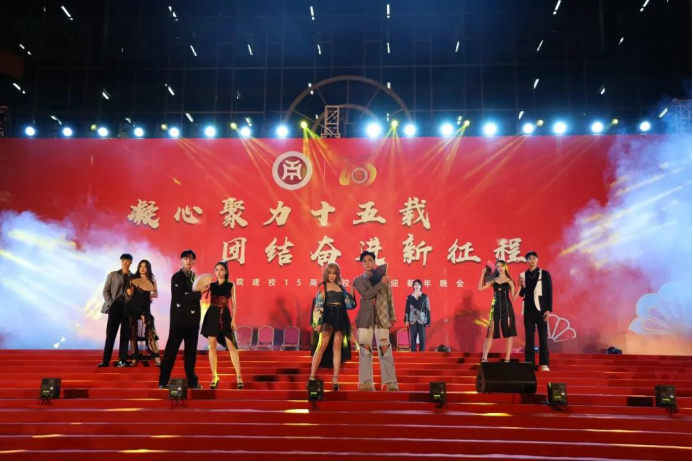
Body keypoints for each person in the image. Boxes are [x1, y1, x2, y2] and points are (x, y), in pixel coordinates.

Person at [158, 250, 209, 389]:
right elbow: (180, 297)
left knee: (191, 353)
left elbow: (192, 296)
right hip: (178, 321)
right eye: (186, 258)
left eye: (191, 259)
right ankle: (163, 381)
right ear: (181, 260)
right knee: (171, 351)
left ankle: (192, 382)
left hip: (193, 321)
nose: (188, 261)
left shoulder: (195, 277)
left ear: (194, 261)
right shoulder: (176, 277)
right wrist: (199, 293)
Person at [353, 251, 399, 392]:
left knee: (385, 350)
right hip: (365, 319)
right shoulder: (358, 280)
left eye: (370, 260)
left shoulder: (384, 278)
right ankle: (366, 382)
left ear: (374, 262)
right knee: (365, 351)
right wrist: (381, 283)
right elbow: (367, 294)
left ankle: (390, 382)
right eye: (365, 261)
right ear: (362, 264)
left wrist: (392, 316)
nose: (368, 263)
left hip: (382, 317)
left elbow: (389, 298)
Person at [309, 262, 353, 391]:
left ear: (337, 274)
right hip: (327, 318)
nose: (332, 276)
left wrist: (351, 291)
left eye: (334, 273)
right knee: (321, 346)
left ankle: (335, 379)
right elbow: (318, 304)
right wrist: (317, 323)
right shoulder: (322, 286)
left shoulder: (341, 288)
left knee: (337, 347)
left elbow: (350, 305)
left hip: (340, 319)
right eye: (330, 273)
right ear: (326, 274)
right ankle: (312, 376)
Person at [200, 261, 244, 389]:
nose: (218, 272)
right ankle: (214, 376)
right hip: (212, 315)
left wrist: (233, 320)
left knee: (231, 345)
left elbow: (234, 304)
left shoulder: (230, 285)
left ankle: (239, 376)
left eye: (221, 270)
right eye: (216, 270)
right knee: (212, 346)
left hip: (225, 315)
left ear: (225, 271)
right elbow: (199, 292)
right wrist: (202, 285)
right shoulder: (211, 285)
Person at [98, 253, 135, 367]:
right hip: (115, 307)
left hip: (128, 308)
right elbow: (106, 290)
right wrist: (111, 304)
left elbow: (135, 294)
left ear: (131, 262)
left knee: (125, 336)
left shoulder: (134, 277)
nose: (125, 262)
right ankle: (106, 360)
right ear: (121, 261)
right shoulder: (113, 274)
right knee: (110, 335)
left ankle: (122, 360)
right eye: (123, 260)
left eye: (127, 260)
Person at [518, 251, 553, 372]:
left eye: (534, 258)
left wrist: (548, 309)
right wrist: (522, 286)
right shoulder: (523, 275)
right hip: (528, 310)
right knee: (529, 337)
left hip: (541, 310)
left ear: (537, 260)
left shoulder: (545, 274)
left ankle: (544, 363)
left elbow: (549, 292)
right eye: (529, 258)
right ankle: (530, 363)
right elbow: (521, 294)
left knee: (543, 337)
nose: (532, 260)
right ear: (526, 261)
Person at [478, 260, 517, 363]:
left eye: (501, 266)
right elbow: (480, 288)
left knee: (508, 333)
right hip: (495, 307)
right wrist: (482, 274)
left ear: (505, 267)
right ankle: (484, 358)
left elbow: (514, 298)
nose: (500, 268)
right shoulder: (493, 280)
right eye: (498, 266)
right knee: (490, 332)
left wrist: (521, 287)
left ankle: (507, 359)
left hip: (507, 308)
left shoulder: (510, 281)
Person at [128, 259, 161, 367]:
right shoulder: (134, 279)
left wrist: (148, 295)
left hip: (145, 308)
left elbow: (156, 294)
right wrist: (130, 285)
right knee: (133, 334)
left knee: (151, 333)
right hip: (134, 307)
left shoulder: (152, 280)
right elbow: (130, 293)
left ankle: (157, 357)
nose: (142, 268)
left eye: (145, 266)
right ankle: (134, 358)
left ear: (148, 268)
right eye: (141, 266)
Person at [404, 279, 431, 352]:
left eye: (418, 285)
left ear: (421, 286)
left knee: (422, 337)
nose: (416, 286)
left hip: (422, 319)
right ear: (413, 286)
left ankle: (422, 353)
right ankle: (413, 353)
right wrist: (406, 320)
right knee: (412, 337)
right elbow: (407, 310)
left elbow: (428, 309)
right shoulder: (409, 297)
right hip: (412, 320)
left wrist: (428, 321)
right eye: (415, 285)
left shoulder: (425, 297)